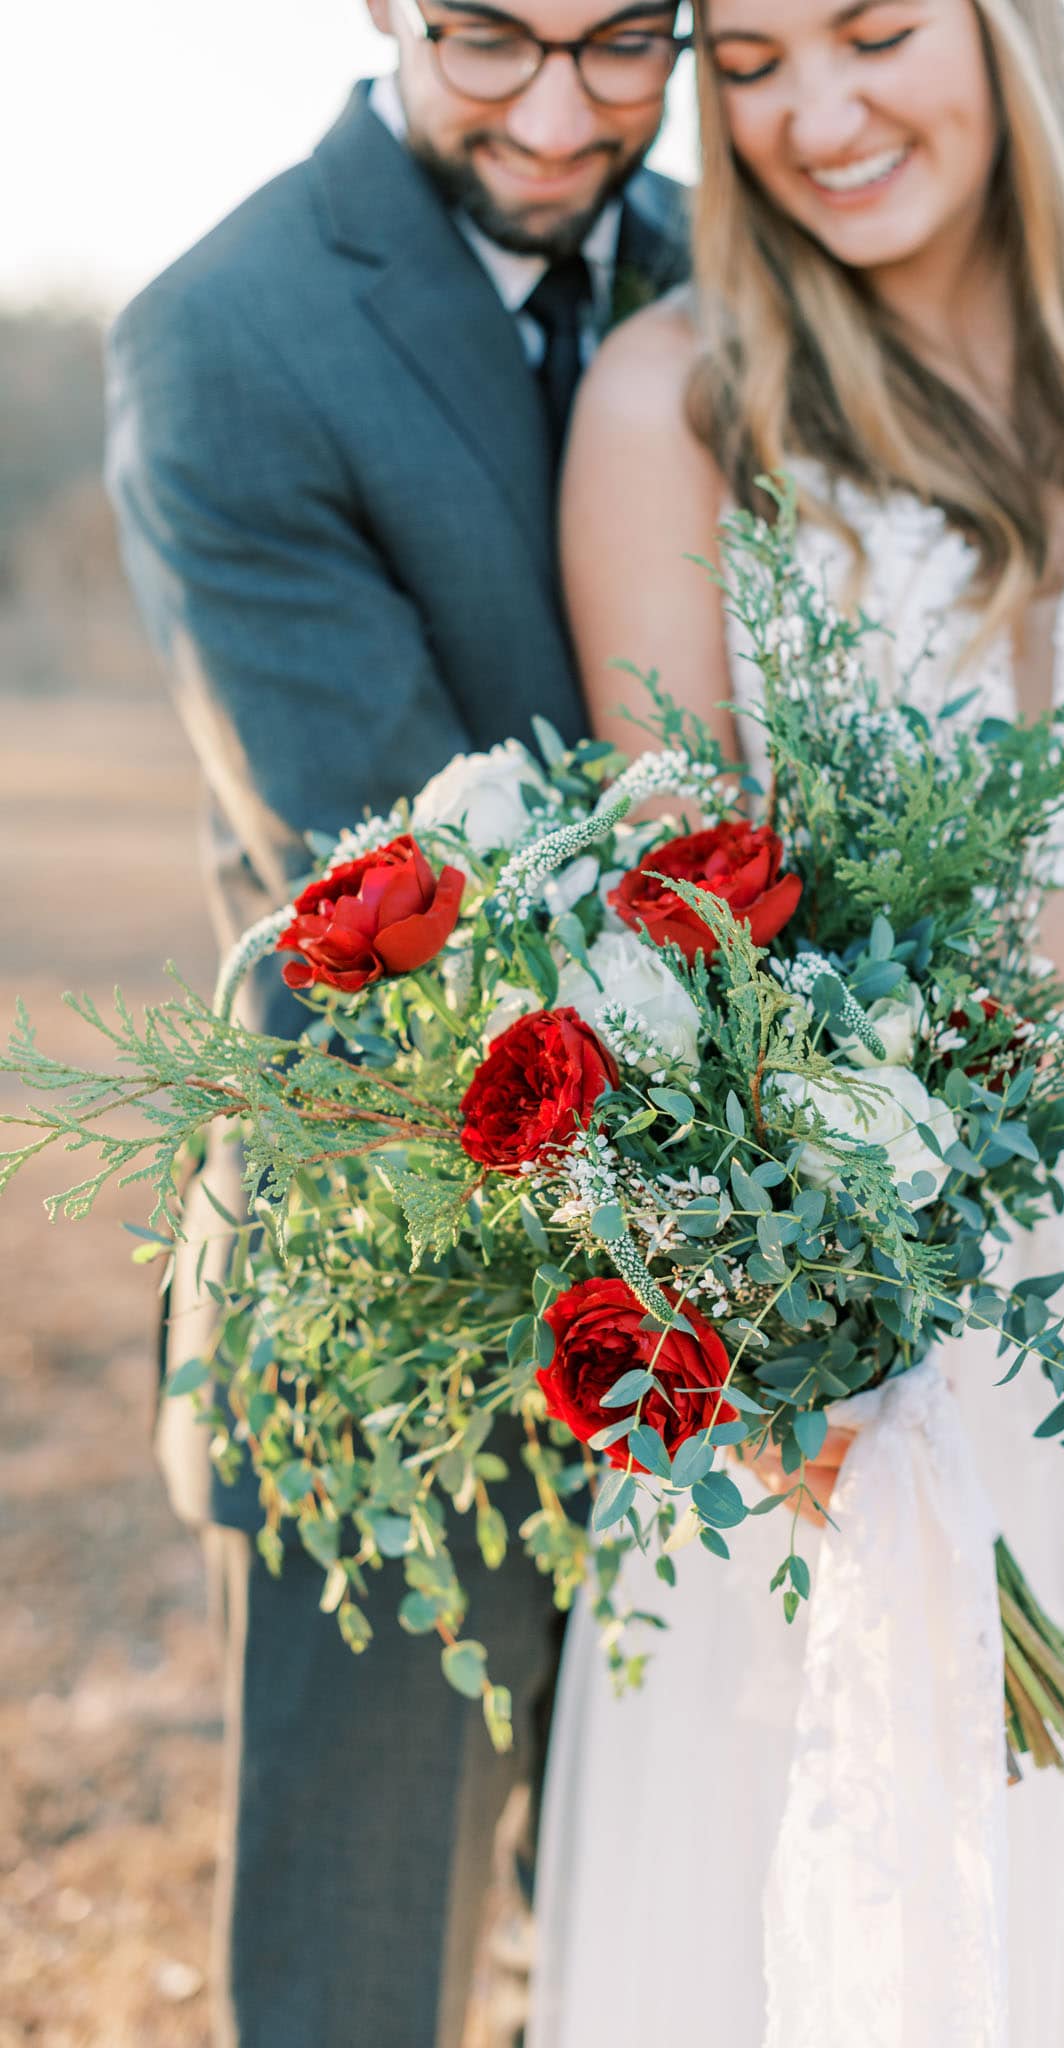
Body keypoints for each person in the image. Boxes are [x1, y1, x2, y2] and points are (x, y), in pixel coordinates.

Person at [530, 0, 1064, 2042]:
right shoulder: (684, 395)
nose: (818, 114)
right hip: (875, 1297)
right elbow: (682, 931)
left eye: (880, 32)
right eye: (749, 65)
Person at [104, 6, 688, 2043]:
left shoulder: (746, 276)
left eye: (625, 46)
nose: (558, 113)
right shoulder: (227, 330)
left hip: (748, 1291)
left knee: (689, 1934)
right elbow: (392, 858)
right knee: (370, 1980)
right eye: (491, 40)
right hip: (402, 1277)